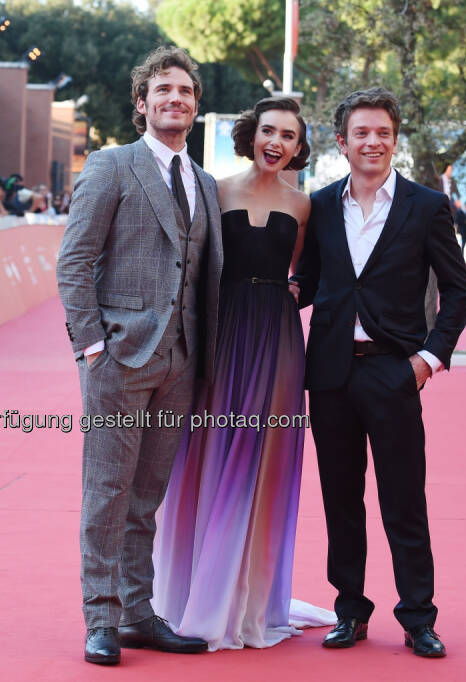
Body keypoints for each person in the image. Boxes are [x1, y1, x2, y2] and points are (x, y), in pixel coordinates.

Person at [57, 46, 223, 666]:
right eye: (163, 91)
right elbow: (74, 261)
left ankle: (137, 613)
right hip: (120, 358)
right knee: (107, 492)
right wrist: (92, 346)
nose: (174, 99)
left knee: (146, 497)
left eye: (184, 90)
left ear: (195, 104)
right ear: (142, 104)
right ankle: (100, 619)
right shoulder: (111, 166)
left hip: (180, 361)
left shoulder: (204, 183)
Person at [152, 96, 335, 651]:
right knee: (207, 453)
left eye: (290, 137)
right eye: (269, 131)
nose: (277, 143)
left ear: (300, 148)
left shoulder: (303, 206)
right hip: (221, 333)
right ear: (252, 134)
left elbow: (307, 273)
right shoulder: (215, 189)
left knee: (262, 461)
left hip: (277, 339)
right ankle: (197, 592)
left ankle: (249, 600)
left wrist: (286, 298)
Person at [293, 88, 466, 658]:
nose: (373, 142)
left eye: (383, 133)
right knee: (340, 500)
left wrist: (428, 359)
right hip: (330, 377)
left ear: (395, 139)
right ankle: (350, 611)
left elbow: (457, 290)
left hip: (395, 373)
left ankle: (419, 617)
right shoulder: (319, 206)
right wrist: (253, 294)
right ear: (341, 142)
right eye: (361, 133)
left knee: (403, 500)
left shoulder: (425, 206)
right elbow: (310, 282)